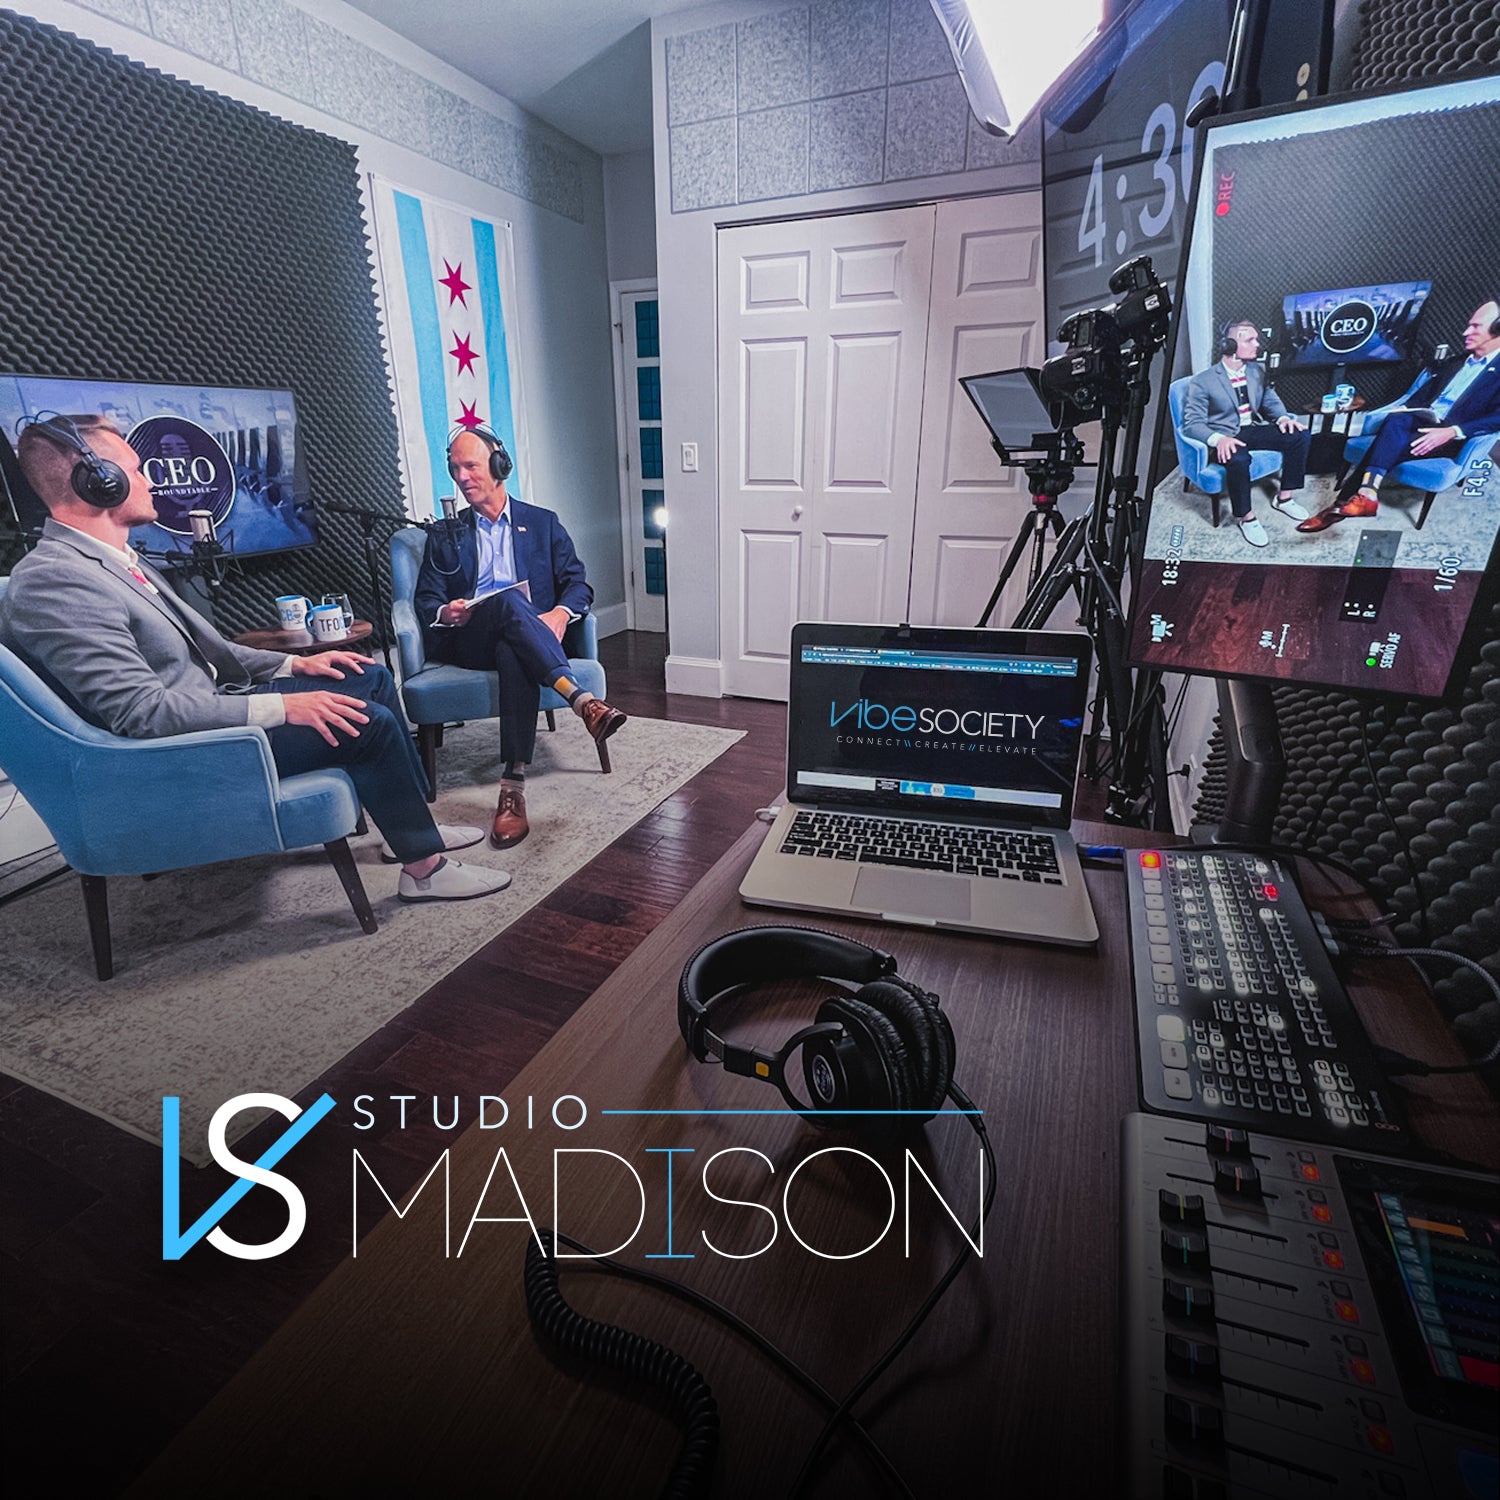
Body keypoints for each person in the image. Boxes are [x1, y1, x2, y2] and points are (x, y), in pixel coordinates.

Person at [0, 415, 507, 905]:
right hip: (185, 752)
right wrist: (284, 708)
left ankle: (411, 828)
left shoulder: (119, 559)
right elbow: (141, 713)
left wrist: (294, 666)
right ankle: (424, 873)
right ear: (97, 482)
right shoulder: (54, 580)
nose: (150, 481)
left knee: (368, 675)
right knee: (363, 723)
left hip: (212, 707)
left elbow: (208, 651)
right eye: (135, 470)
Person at [413, 426, 627, 851]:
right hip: (469, 640)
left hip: (527, 638)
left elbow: (578, 585)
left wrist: (560, 614)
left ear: (499, 465)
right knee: (509, 601)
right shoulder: (446, 533)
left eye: (471, 466)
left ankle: (512, 788)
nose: (461, 477)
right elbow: (425, 600)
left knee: (512, 649)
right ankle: (581, 700)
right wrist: (445, 611)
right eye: (455, 469)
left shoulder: (542, 523)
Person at [1298, 299, 1500, 532]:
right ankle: (1366, 494)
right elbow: (1422, 395)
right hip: (1424, 420)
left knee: (1384, 443)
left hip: (1453, 436)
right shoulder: (1457, 362)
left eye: (1475, 326)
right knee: (1396, 420)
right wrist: (1407, 409)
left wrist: (1452, 432)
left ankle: (1345, 503)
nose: (1465, 332)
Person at [1179, 319, 1312, 547]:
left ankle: (1284, 499)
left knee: (1299, 435)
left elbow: (1269, 400)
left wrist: (1282, 418)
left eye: (1256, 339)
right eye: (1249, 340)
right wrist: (1219, 440)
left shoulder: (1256, 370)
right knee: (1239, 459)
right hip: (1225, 435)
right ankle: (1246, 517)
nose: (1257, 344)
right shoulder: (1203, 381)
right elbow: (1192, 423)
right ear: (1230, 345)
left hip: (1252, 428)